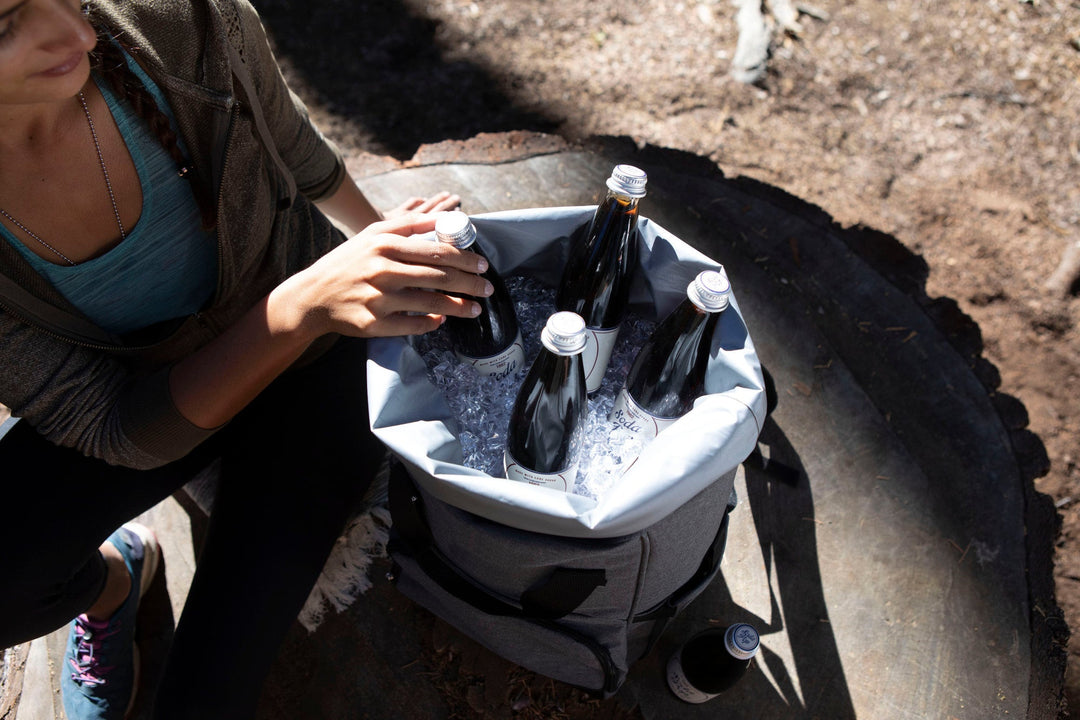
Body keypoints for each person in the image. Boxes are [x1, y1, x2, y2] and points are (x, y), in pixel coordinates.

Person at [0, 0, 493, 717]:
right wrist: (296, 309)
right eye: (6, 24)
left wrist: (382, 241)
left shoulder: (177, 18)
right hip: (146, 399)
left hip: (320, 372)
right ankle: (117, 583)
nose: (78, 32)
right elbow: (114, 427)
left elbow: (293, 143)